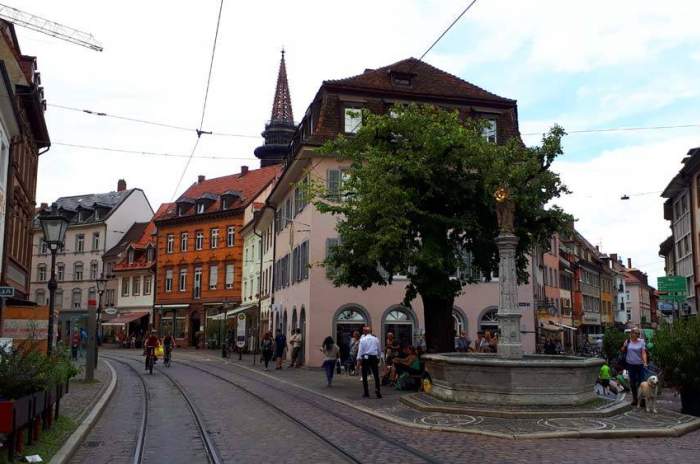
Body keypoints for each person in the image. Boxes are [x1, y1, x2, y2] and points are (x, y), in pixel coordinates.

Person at [621, 326, 648, 406]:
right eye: (636, 333)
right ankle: (635, 399)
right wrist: (624, 346)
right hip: (630, 365)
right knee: (632, 383)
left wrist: (645, 362)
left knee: (642, 383)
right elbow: (622, 350)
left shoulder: (641, 341)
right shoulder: (628, 341)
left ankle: (642, 400)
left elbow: (643, 352)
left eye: (638, 333)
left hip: (640, 364)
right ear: (632, 334)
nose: (638, 335)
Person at [357, 326, 382, 399]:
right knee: (376, 374)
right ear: (370, 331)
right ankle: (377, 390)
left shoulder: (362, 339)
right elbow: (379, 349)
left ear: (364, 332)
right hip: (374, 357)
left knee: (364, 376)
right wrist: (379, 356)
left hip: (365, 357)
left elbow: (360, 351)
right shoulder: (376, 339)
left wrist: (358, 360)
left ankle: (366, 392)